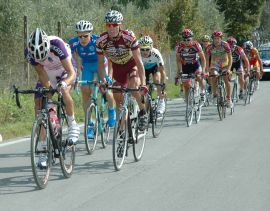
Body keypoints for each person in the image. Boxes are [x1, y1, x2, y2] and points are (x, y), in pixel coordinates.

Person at [25, 28, 80, 167]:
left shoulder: (56, 44)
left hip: (65, 69)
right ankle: (43, 148)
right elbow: (41, 73)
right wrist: (49, 91)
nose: (41, 58)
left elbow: (71, 73)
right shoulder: (28, 53)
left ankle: (73, 124)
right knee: (39, 103)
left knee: (64, 90)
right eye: (39, 57)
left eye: (43, 55)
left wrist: (64, 83)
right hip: (47, 73)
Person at [96, 10, 148, 131]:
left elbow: (139, 63)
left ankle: (142, 112)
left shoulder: (129, 37)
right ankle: (123, 129)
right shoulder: (101, 41)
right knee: (117, 97)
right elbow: (100, 64)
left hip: (131, 65)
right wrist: (104, 80)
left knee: (134, 86)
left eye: (115, 25)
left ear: (120, 25)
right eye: (109, 25)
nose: (112, 28)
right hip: (117, 68)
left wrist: (144, 83)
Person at [68, 20, 116, 139]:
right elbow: (73, 59)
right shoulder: (73, 43)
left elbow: (110, 59)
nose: (83, 39)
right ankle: (89, 123)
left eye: (86, 36)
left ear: (91, 34)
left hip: (101, 65)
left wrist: (109, 76)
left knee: (107, 91)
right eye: (80, 36)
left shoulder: (98, 41)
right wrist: (77, 73)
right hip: (87, 67)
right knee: (85, 92)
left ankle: (111, 111)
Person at [175, 29, 206, 102]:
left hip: (195, 64)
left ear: (192, 39)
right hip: (185, 65)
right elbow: (178, 60)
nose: (186, 42)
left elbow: (203, 59)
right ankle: (188, 103)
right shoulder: (179, 47)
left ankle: (202, 92)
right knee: (186, 84)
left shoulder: (196, 45)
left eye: (188, 40)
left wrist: (203, 70)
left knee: (198, 76)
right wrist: (179, 71)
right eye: (184, 40)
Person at [138, 35, 166, 114]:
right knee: (142, 86)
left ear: (151, 47)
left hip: (154, 67)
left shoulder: (156, 53)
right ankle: (143, 105)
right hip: (143, 69)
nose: (145, 52)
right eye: (142, 49)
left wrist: (163, 84)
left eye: (147, 49)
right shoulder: (138, 54)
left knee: (157, 81)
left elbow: (162, 71)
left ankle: (161, 102)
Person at [206, 31, 233, 107]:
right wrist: (208, 70)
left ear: (221, 39)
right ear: (213, 39)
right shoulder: (209, 47)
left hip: (225, 64)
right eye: (215, 39)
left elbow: (230, 57)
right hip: (215, 64)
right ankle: (214, 95)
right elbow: (207, 59)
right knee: (213, 76)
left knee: (226, 79)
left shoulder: (225, 45)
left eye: (218, 38)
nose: (216, 40)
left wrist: (229, 69)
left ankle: (228, 99)